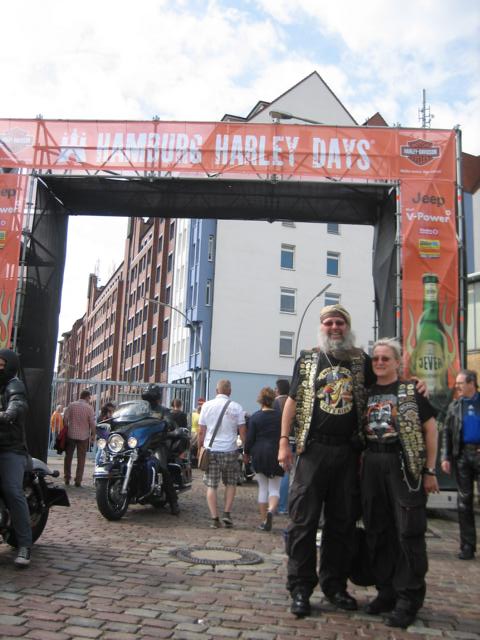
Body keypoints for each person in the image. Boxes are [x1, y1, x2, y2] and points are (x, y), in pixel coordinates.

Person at [278, 304, 376, 617]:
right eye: (330, 322)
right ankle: (300, 588)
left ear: (348, 327)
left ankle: (334, 586)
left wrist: (414, 384)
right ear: (322, 327)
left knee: (342, 523)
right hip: (313, 450)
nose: (335, 327)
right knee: (302, 521)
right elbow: (292, 401)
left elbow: (383, 387)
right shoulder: (308, 359)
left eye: (340, 323)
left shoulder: (361, 360)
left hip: (348, 452)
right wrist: (284, 442)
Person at [361, 338, 438, 629]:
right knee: (377, 529)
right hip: (372, 463)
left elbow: (430, 429)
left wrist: (430, 470)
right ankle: (386, 591)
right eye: (376, 358)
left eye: (385, 358)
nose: (379, 363)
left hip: (403, 465)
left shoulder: (410, 390)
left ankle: (409, 598)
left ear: (397, 362)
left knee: (409, 530)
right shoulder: (366, 392)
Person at [441, 369, 480, 560]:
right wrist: (445, 457)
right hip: (462, 455)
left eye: (460, 383)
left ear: (472, 383)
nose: (457, 387)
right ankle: (467, 545)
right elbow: (446, 433)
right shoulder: (455, 406)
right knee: (464, 503)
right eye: (456, 383)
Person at [198, 379, 246, 528]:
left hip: (211, 450)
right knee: (231, 483)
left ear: (216, 391)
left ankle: (214, 518)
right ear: (230, 391)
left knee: (212, 485)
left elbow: (201, 431)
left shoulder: (206, 406)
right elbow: (242, 432)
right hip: (230, 450)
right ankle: (227, 513)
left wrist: (199, 448)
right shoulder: (237, 407)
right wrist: (245, 450)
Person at [0, 348, 32, 567]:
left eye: (1, 364)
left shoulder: (15, 385)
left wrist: (11, 412)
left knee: (12, 490)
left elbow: (18, 402)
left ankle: (24, 545)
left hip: (10, 448)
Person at [245, 387, 284, 531]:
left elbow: (249, 439)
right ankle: (271, 510)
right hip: (277, 453)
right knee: (275, 488)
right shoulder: (280, 416)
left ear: (260, 400)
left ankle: (263, 521)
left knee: (262, 488)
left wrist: (246, 453)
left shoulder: (255, 417)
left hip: (259, 453)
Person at [141, 384, 180, 515]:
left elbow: (169, 423)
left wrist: (167, 424)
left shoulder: (163, 411)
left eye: (151, 398)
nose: (149, 401)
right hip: (141, 443)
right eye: (147, 398)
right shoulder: (140, 411)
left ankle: (173, 501)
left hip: (157, 444)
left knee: (162, 468)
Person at [63, 389, 96, 487]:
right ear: (87, 397)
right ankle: (78, 480)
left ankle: (67, 477)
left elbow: (65, 418)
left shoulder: (71, 405)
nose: (89, 400)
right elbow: (92, 423)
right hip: (83, 436)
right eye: (89, 398)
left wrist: (67, 427)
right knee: (81, 459)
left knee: (68, 457)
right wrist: (93, 434)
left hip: (71, 434)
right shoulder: (89, 408)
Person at [274, 379, 292, 514]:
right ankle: (285, 505)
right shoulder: (293, 401)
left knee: (281, 473)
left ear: (278, 390)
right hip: (294, 440)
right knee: (291, 474)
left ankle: (280, 505)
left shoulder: (275, 403)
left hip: (280, 441)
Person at [190, 398, 205, 467]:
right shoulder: (200, 415)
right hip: (196, 433)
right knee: (196, 447)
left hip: (194, 432)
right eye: (200, 404)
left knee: (194, 447)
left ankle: (195, 461)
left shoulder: (194, 414)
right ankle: (196, 461)